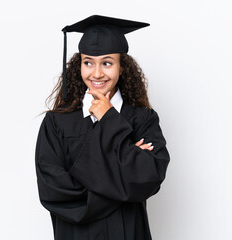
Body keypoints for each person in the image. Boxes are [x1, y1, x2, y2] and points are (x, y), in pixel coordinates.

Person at [35, 15, 170, 240]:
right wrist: (124, 184)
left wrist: (109, 118)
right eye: (88, 62)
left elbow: (148, 178)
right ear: (79, 65)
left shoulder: (143, 119)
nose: (97, 73)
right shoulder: (57, 122)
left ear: (122, 67)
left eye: (107, 63)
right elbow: (54, 191)